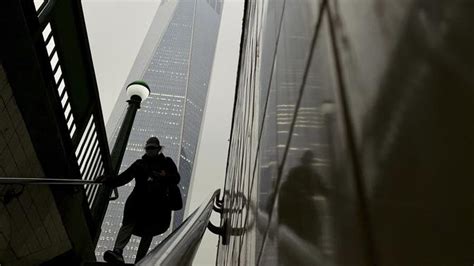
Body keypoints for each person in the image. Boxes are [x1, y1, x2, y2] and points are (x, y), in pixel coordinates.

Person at [98, 137, 181, 264]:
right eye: (148, 148)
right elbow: (123, 178)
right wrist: (107, 180)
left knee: (149, 231)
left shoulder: (167, 162)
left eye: (152, 148)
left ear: (158, 149)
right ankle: (117, 251)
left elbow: (176, 179)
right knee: (128, 225)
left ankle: (140, 260)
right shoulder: (139, 164)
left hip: (157, 207)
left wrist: (164, 176)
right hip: (137, 204)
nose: (150, 150)